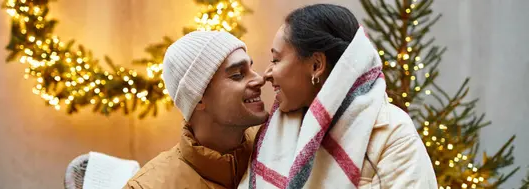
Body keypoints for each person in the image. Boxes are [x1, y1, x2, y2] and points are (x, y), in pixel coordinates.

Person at [239, 4, 437, 189]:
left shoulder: (394, 134)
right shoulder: (273, 132)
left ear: (316, 65)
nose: (266, 73)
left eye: (276, 59)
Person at [124, 31, 268, 189]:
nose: (260, 80)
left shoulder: (274, 145)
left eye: (251, 68)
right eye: (237, 75)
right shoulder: (146, 187)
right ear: (198, 97)